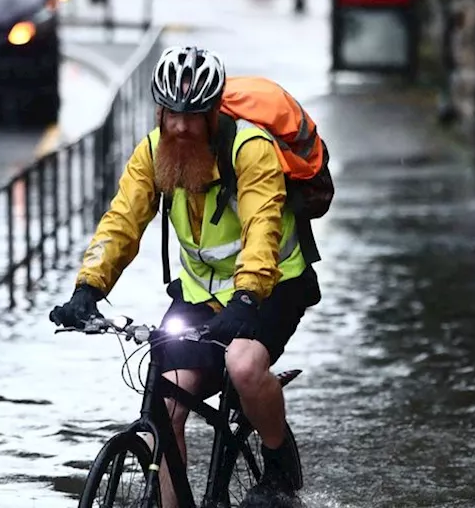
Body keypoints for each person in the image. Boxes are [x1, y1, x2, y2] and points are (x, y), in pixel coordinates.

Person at [50, 45, 321, 506]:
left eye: (192, 115)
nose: (179, 125)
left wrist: (247, 299)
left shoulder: (250, 151)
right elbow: (122, 220)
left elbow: (262, 230)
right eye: (170, 112)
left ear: (213, 113)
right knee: (167, 403)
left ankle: (278, 466)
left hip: (272, 285)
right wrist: (88, 287)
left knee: (243, 365)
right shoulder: (154, 152)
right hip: (200, 294)